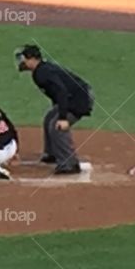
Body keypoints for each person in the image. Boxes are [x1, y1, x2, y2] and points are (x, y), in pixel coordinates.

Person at [15, 44, 93, 175]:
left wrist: (63, 118)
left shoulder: (43, 72)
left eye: (24, 59)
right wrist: (58, 110)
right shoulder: (39, 71)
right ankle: (52, 154)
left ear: (32, 59)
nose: (22, 62)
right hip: (73, 98)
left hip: (79, 100)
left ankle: (69, 163)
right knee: (49, 118)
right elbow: (56, 94)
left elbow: (62, 92)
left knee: (57, 126)